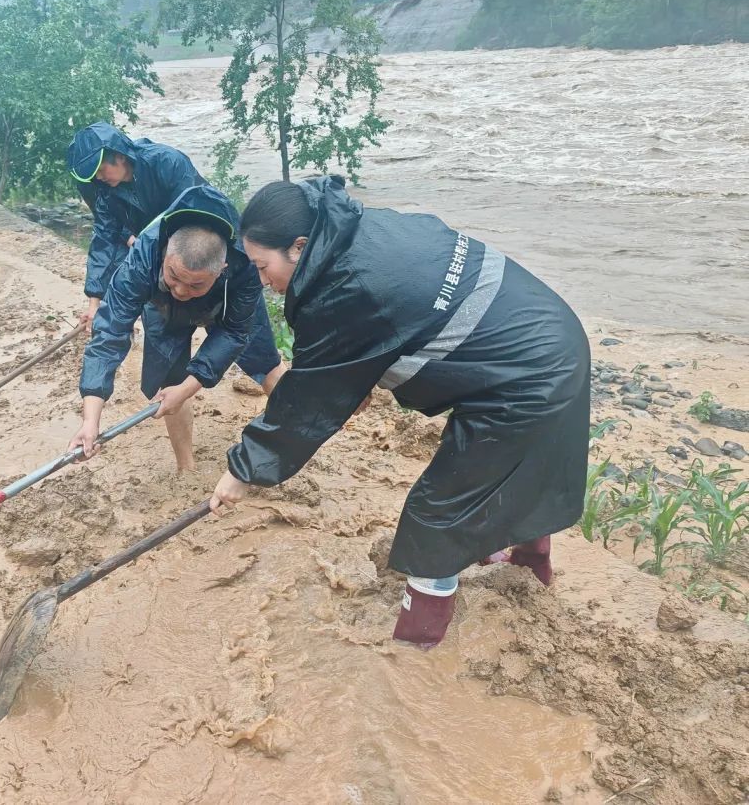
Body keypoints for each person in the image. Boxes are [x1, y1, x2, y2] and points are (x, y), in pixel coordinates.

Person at [209, 176, 591, 649]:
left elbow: (305, 399)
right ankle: (529, 576)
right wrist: (357, 376)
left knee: (437, 511)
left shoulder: (347, 286)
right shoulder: (361, 230)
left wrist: (242, 470)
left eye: (264, 267)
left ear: (300, 246)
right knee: (498, 470)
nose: (265, 282)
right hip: (548, 330)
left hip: (527, 374)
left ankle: (416, 650)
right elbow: (398, 316)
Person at [70, 185, 286, 472]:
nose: (182, 291)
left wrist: (190, 386)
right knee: (171, 379)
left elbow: (234, 333)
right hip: (162, 307)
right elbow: (110, 334)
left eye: (195, 284)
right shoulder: (143, 258)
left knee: (267, 363)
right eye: (174, 276)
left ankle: (294, 436)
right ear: (165, 252)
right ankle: (186, 467)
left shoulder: (246, 262)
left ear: (221, 268)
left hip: (229, 299)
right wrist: (90, 420)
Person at [67, 123, 206, 326]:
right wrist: (94, 303)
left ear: (120, 155)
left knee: (240, 332)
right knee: (161, 330)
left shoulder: (166, 162)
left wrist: (145, 244)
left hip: (201, 253)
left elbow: (190, 212)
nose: (98, 177)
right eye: (93, 174)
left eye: (100, 169)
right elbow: (104, 241)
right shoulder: (107, 194)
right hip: (159, 262)